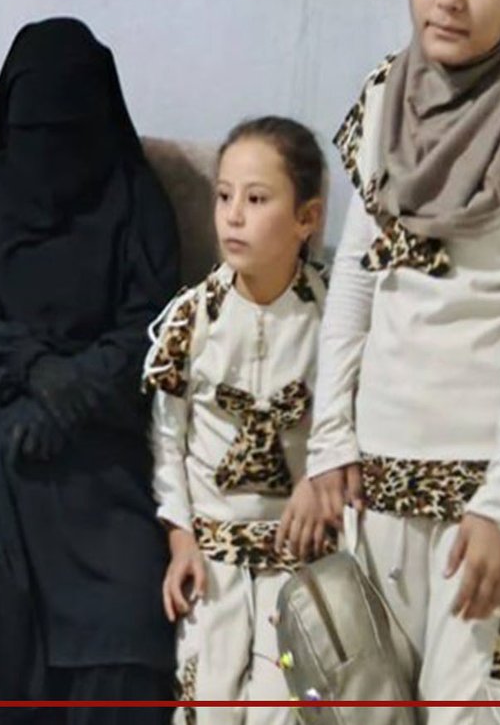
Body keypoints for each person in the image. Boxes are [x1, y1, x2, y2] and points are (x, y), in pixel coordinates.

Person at [282, 0, 500, 721]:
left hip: (489, 498)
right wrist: (329, 444)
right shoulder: (385, 98)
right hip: (376, 484)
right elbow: (357, 281)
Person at [0, 18, 180, 724]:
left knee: (126, 616)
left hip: (98, 433)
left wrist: (72, 396)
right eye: (35, 133)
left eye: (66, 133)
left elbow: (155, 327)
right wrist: (34, 372)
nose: (49, 154)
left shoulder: (136, 199)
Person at [142, 116, 327, 720]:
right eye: (224, 197)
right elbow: (167, 441)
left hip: (299, 558)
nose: (234, 216)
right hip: (212, 559)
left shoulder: (332, 321)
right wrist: (180, 538)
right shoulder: (193, 318)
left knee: (285, 705)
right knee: (207, 705)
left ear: (306, 218)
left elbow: (345, 430)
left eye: (257, 199)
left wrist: (319, 491)